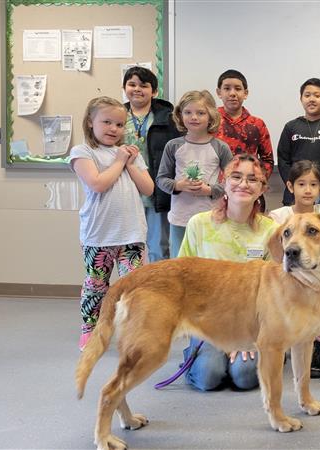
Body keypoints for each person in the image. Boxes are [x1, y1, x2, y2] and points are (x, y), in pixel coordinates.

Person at [177, 154, 277, 390]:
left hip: (251, 323)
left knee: (244, 377)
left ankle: (264, 355)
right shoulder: (198, 224)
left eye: (252, 179)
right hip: (207, 320)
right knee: (208, 377)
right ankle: (197, 355)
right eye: (236, 176)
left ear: (262, 189)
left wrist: (247, 337)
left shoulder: (272, 231)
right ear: (223, 180)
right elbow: (184, 281)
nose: (243, 184)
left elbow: (273, 292)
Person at [69, 96, 154, 350]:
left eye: (119, 124)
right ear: (90, 122)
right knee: (97, 285)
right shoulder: (83, 152)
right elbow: (97, 183)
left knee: (135, 287)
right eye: (106, 122)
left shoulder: (129, 154)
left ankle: (133, 333)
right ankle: (91, 330)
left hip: (131, 233)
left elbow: (148, 188)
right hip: (100, 234)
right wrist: (119, 161)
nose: (113, 129)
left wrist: (129, 163)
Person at [268, 160, 320, 378]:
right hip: (288, 277)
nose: (307, 190)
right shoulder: (279, 217)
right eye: (301, 184)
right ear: (290, 187)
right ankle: (283, 339)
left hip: (318, 276)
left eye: (313, 184)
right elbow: (275, 254)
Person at [156, 90, 232, 258]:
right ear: (180, 115)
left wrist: (210, 190)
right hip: (180, 218)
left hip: (210, 218)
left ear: (211, 116)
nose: (194, 117)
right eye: (188, 112)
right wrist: (178, 185)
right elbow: (161, 179)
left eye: (200, 113)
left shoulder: (220, 147)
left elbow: (232, 182)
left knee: (208, 266)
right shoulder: (173, 146)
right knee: (179, 264)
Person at [122, 66, 181, 263]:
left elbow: (176, 154)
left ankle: (159, 289)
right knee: (128, 248)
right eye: (132, 84)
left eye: (143, 85)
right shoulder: (117, 116)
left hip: (156, 190)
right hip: (125, 188)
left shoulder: (168, 118)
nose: (137, 89)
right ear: (125, 88)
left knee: (158, 246)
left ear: (154, 91)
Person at [215, 69, 274, 211]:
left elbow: (267, 160)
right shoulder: (210, 121)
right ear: (219, 92)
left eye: (238, 89)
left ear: (245, 93)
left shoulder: (257, 124)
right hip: (215, 192)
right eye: (227, 88)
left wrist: (256, 182)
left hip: (247, 191)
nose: (232, 93)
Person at [277, 78, 320, 206]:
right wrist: (294, 183)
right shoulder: (291, 127)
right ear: (301, 98)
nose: (312, 99)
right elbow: (283, 159)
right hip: (294, 193)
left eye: (317, 95)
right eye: (307, 95)